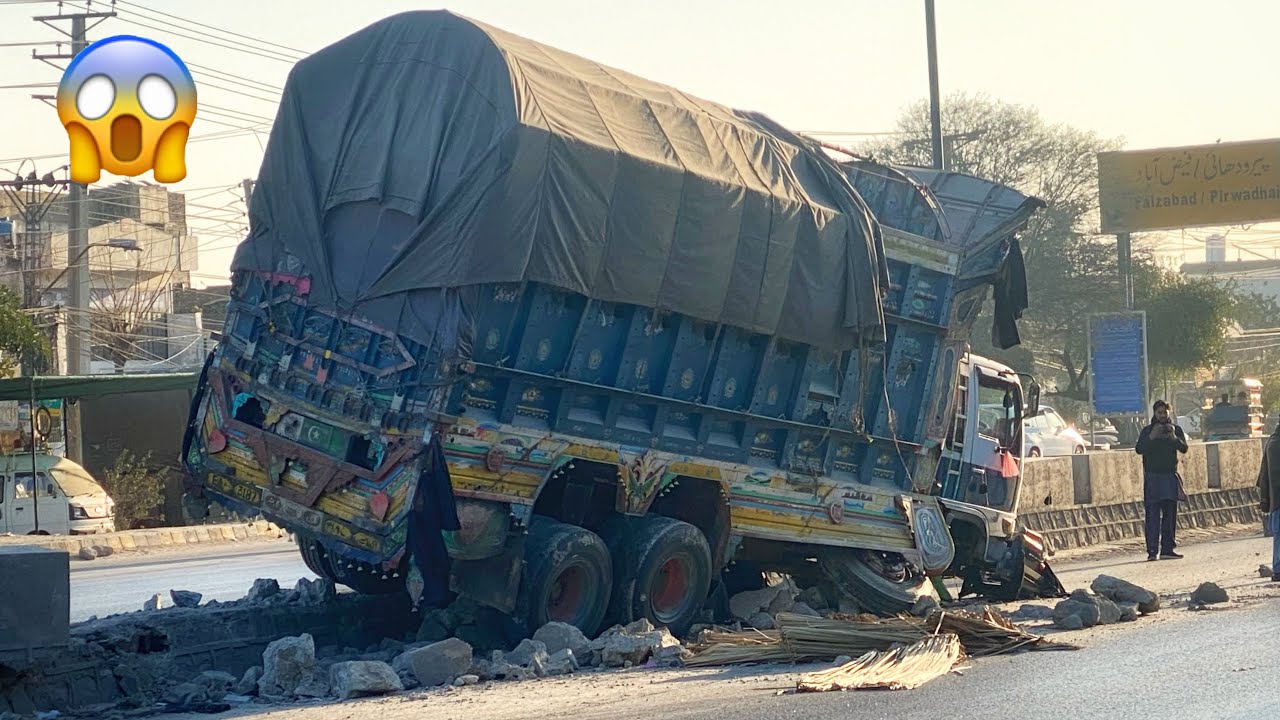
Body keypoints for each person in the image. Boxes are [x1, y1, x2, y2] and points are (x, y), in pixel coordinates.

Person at [1135, 399, 1189, 561]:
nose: (1162, 415)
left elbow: (1184, 448)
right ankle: (1152, 551)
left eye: (1165, 412)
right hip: (1153, 477)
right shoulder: (1147, 431)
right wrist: (1152, 436)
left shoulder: (1175, 430)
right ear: (1155, 413)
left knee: (1170, 514)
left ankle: (1167, 549)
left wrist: (1173, 437)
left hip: (1170, 476)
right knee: (1152, 515)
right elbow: (1139, 449)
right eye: (1159, 413)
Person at [1259, 422, 1280, 582]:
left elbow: (1263, 475)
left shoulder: (1272, 442)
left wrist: (1264, 498)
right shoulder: (1274, 444)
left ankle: (1278, 569)